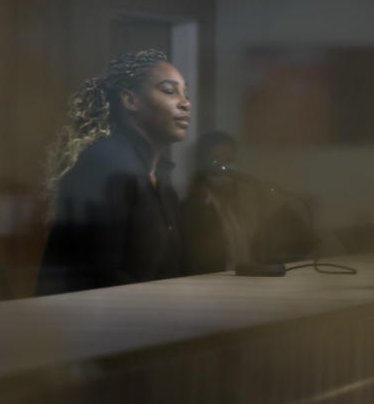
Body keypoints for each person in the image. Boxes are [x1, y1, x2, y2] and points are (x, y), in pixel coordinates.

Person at [36, 49, 190, 295]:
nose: (185, 102)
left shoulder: (157, 175)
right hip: (86, 324)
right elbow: (102, 277)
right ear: (130, 100)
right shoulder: (105, 163)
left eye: (185, 92)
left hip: (139, 319)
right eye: (169, 91)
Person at [180, 131, 314, 274]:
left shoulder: (241, 204)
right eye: (216, 160)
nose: (224, 168)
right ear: (203, 164)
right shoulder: (195, 208)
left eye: (229, 160)